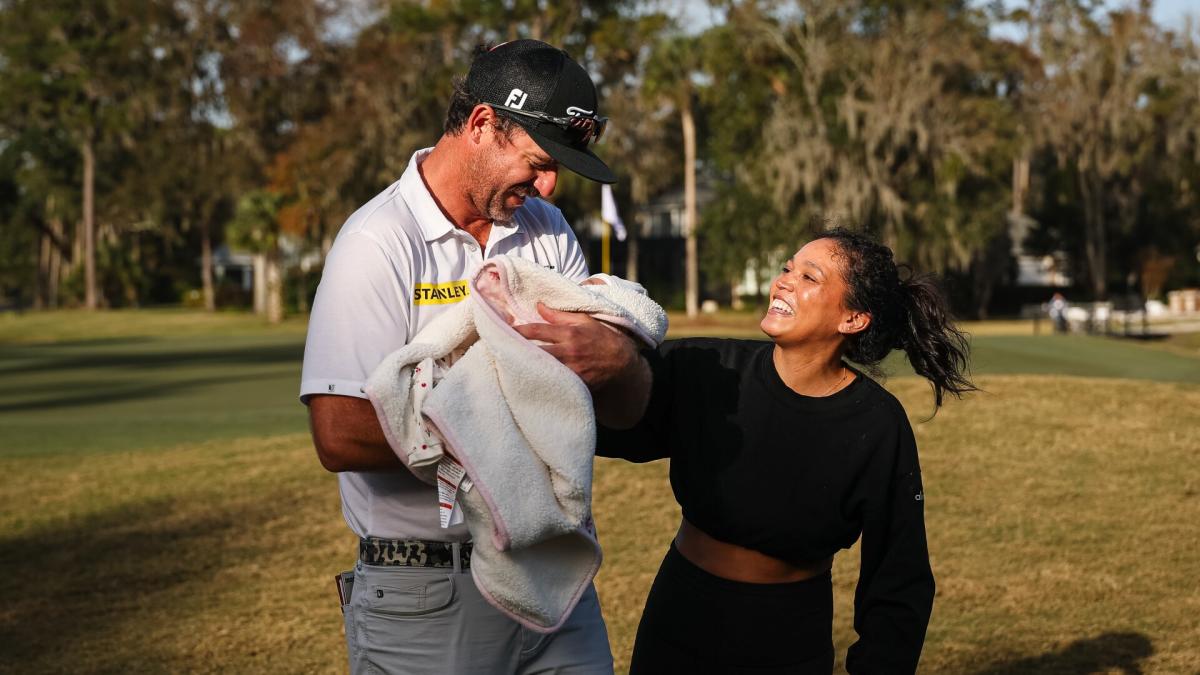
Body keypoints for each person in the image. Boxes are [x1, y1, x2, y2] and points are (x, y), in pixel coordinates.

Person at [300, 40, 644, 675]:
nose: (548, 185)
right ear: (483, 124)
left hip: (552, 578)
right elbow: (339, 433)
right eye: (540, 162)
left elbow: (593, 390)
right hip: (426, 596)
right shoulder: (378, 241)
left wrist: (619, 361)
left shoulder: (546, 229)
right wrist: (507, 423)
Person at [595, 229, 976, 674]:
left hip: (788, 632)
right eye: (786, 269)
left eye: (809, 277)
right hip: (682, 613)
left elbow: (898, 576)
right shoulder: (708, 367)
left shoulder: (877, 424)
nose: (784, 282)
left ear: (852, 318)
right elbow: (609, 425)